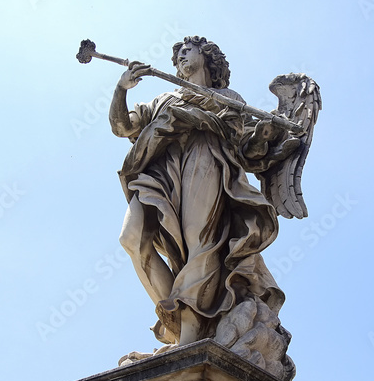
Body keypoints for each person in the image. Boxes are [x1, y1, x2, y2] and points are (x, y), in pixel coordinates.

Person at [109, 36, 287, 347]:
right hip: (161, 169)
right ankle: (179, 325)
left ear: (207, 58)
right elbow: (122, 127)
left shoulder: (227, 97)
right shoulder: (164, 100)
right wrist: (121, 89)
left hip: (205, 158)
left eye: (187, 50)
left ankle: (190, 336)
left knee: (199, 243)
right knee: (132, 239)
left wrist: (264, 135)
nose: (180, 56)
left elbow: (247, 149)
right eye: (177, 53)